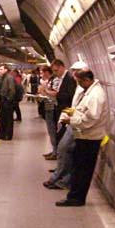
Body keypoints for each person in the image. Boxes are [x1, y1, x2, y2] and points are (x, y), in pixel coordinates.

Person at [56, 69, 108, 207]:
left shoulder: (96, 96)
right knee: (79, 168)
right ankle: (74, 195)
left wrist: (71, 121)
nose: (79, 85)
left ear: (86, 80)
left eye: (80, 82)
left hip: (90, 138)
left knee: (83, 170)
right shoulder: (89, 92)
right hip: (84, 136)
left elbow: (91, 119)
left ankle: (76, 198)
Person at [43, 61, 88, 190]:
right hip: (69, 118)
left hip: (74, 122)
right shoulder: (77, 85)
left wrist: (56, 95)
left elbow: (68, 98)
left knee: (65, 148)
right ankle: (60, 176)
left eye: (77, 73)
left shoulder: (73, 83)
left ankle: (61, 178)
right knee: (64, 149)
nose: (75, 76)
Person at [0, 64, 16, 140]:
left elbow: (12, 90)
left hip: (7, 101)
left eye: (1, 69)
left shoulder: (9, 78)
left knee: (8, 119)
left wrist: (8, 99)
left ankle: (8, 134)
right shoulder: (3, 78)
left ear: (6, 70)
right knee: (3, 118)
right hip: (3, 100)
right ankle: (2, 134)